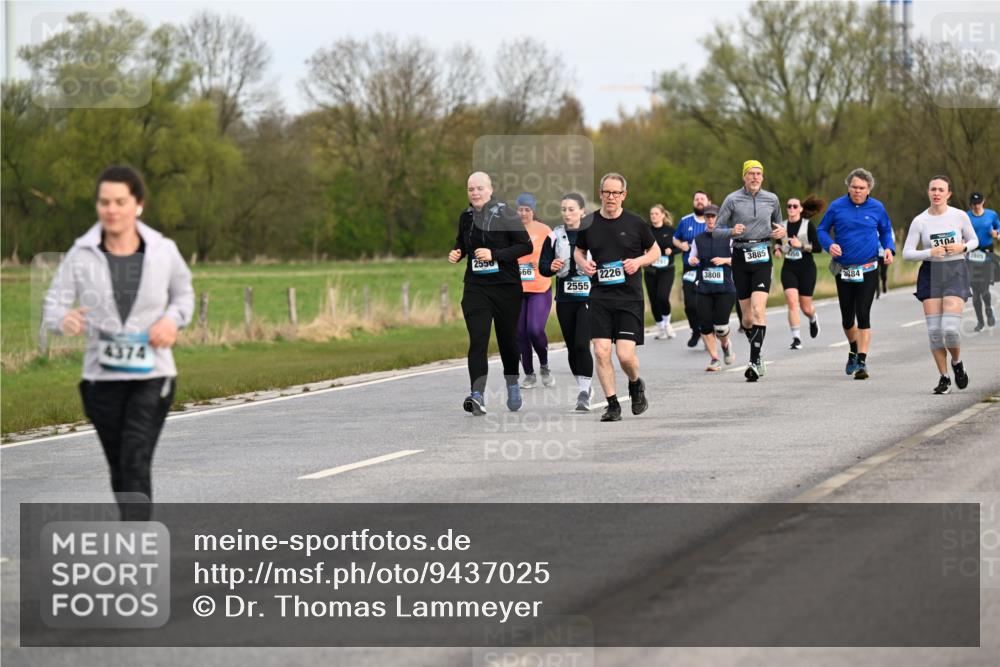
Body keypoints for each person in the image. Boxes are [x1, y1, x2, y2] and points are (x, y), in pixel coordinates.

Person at [41, 165, 194, 520]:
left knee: (134, 457)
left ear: (137, 204)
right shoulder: (81, 255)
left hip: (151, 375)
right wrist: (64, 321)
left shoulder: (163, 250)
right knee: (119, 468)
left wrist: (172, 320)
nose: (111, 209)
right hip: (102, 380)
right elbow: (54, 306)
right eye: (104, 202)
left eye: (120, 201)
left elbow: (184, 296)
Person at [574, 173, 660, 422]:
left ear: (624, 195)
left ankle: (635, 382)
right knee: (601, 352)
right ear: (600, 193)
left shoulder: (636, 223)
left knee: (624, 356)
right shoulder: (588, 222)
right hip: (600, 296)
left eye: (616, 193)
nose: (611, 197)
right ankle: (612, 404)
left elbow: (654, 250)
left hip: (629, 298)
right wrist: (584, 264)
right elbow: (579, 251)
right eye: (607, 192)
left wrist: (638, 261)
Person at [449, 172, 532, 415]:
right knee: (478, 339)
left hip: (506, 288)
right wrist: (457, 252)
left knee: (507, 340)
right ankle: (477, 394)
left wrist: (495, 254)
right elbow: (461, 243)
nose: (474, 193)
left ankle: (512, 382)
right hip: (476, 287)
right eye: (470, 189)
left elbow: (525, 245)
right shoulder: (466, 217)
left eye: (479, 188)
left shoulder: (506, 213)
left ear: (490, 189)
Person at [902, 175, 978, 394]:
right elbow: (907, 253)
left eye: (940, 190)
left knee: (950, 329)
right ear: (928, 192)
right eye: (933, 189)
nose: (936, 193)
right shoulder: (920, 220)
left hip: (955, 269)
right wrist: (929, 252)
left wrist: (962, 248)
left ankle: (957, 363)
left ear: (948, 194)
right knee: (935, 332)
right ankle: (944, 377)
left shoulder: (959, 216)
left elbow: (974, 241)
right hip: (930, 272)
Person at [817, 167, 896, 380]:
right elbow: (822, 230)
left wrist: (889, 248)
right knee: (846, 318)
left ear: (869, 188)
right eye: (854, 187)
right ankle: (853, 346)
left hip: (868, 268)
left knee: (863, 313)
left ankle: (861, 360)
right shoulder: (837, 206)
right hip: (844, 269)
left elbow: (886, 230)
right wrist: (829, 245)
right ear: (848, 187)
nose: (857, 191)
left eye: (862, 188)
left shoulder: (877, 207)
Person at [712, 160, 786, 382]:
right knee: (746, 320)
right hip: (740, 257)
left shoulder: (771, 199)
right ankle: (757, 350)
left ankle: (754, 361)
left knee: (757, 310)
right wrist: (731, 231)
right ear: (744, 177)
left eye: (758, 174)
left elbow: (779, 224)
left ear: (762, 177)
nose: (755, 177)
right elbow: (716, 230)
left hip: (763, 254)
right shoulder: (732, 199)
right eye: (751, 174)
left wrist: (780, 233)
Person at [539, 193, 594, 411]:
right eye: (564, 209)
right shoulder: (554, 236)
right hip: (564, 297)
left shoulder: (592, 234)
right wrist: (550, 266)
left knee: (582, 343)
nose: (567, 213)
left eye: (572, 209)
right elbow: (543, 266)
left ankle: (583, 393)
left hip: (588, 297)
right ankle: (584, 386)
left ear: (582, 211)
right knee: (572, 346)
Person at [688, 205, 737, 371]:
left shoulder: (729, 237)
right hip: (704, 289)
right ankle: (715, 359)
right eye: (707, 217)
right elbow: (691, 257)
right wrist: (692, 261)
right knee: (705, 326)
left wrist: (724, 260)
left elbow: (738, 260)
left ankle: (725, 344)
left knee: (721, 327)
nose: (710, 220)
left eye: (713, 217)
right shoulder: (698, 239)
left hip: (725, 288)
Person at [514, 193, 555, 389]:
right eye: (520, 209)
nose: (523, 213)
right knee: (520, 333)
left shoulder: (544, 230)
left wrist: (541, 261)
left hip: (540, 287)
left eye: (527, 210)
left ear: (533, 211)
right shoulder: (510, 229)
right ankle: (529, 374)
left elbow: (556, 255)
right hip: (516, 289)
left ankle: (544, 365)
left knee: (534, 329)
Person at [775, 195, 823, 349]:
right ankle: (796, 339)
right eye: (789, 206)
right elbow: (778, 244)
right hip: (789, 268)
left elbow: (818, 248)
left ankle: (813, 318)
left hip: (807, 269)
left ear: (801, 209)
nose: (791, 209)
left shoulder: (808, 226)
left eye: (795, 206)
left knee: (805, 307)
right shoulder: (781, 226)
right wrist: (776, 249)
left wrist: (801, 245)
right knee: (792, 302)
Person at [673, 191, 710, 347]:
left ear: (708, 202)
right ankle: (696, 329)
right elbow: (675, 238)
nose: (699, 201)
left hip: (710, 268)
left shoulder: (714, 221)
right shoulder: (685, 221)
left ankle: (709, 330)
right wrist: (681, 245)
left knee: (708, 302)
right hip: (690, 268)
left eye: (702, 199)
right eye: (696, 199)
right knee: (690, 304)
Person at [966, 191, 1000, 331]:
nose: (976, 206)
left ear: (983, 201)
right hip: (971, 254)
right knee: (975, 293)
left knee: (984, 289)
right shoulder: (966, 216)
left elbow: (998, 227)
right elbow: (960, 230)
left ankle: (988, 311)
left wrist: (996, 233)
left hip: (986, 254)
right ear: (971, 204)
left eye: (978, 203)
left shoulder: (991, 214)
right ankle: (980, 321)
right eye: (974, 204)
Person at [644, 204, 677, 340]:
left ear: (663, 215)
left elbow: (681, 247)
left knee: (662, 296)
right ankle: (660, 327)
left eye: (656, 213)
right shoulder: (647, 231)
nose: (653, 216)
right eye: (652, 214)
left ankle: (667, 323)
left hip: (667, 269)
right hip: (651, 270)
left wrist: (672, 251)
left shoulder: (670, 231)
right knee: (653, 299)